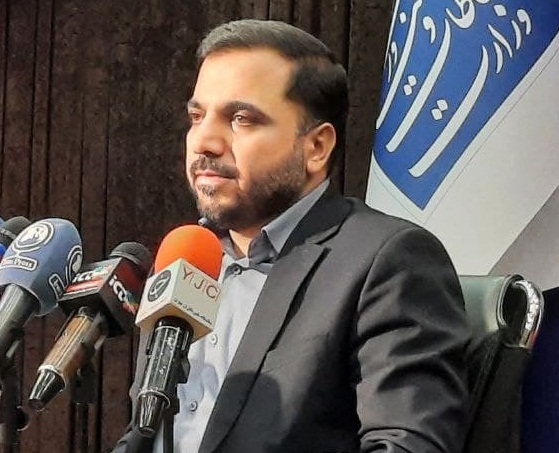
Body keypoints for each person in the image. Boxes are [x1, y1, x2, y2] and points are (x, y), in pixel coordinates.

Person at [113, 19, 471, 453]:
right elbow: (145, 434)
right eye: (196, 116)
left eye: (241, 119)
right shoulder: (186, 260)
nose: (203, 141)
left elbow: (406, 444)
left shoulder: (387, 261)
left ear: (316, 147)